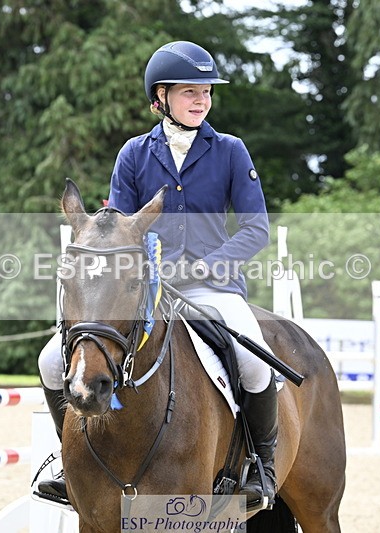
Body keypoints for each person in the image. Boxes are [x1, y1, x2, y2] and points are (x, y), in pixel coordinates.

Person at [37, 40, 279, 511]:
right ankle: (70, 463)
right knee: (51, 361)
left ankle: (261, 466)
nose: (201, 100)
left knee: (255, 362)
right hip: (147, 291)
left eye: (206, 92)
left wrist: (209, 265)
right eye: (190, 91)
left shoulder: (230, 151)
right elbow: (114, 228)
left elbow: (256, 228)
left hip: (213, 288)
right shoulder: (134, 153)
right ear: (160, 97)